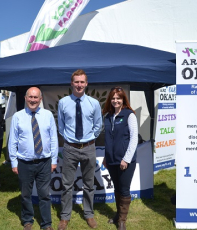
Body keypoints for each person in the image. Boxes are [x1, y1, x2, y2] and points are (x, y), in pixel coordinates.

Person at [57, 69, 102, 230]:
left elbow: (98, 125)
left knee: (89, 184)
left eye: (82, 82)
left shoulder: (94, 103)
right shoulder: (63, 103)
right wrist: (71, 140)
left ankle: (89, 214)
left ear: (86, 83)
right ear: (71, 83)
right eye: (76, 81)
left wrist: (89, 139)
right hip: (70, 148)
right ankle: (65, 217)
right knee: (67, 184)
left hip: (89, 147)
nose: (79, 85)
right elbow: (61, 126)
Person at [8, 87, 58, 230]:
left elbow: (53, 138)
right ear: (25, 98)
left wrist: (54, 160)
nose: (33, 100)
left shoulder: (48, 115)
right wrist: (13, 161)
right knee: (25, 194)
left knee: (44, 194)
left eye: (36, 97)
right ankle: (27, 220)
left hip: (44, 162)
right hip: (24, 162)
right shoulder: (18, 116)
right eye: (30, 97)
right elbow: (13, 141)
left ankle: (46, 224)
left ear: (40, 99)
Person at [102, 87, 138, 230]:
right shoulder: (108, 117)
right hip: (111, 160)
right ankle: (118, 214)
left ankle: (122, 221)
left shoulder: (129, 115)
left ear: (123, 99)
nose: (115, 100)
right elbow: (108, 139)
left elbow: (134, 138)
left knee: (124, 189)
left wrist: (126, 159)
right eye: (113, 98)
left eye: (118, 98)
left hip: (125, 161)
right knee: (116, 188)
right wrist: (106, 157)